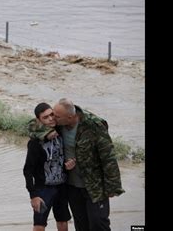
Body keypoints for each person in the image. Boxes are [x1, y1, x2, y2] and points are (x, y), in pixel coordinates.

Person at [51, 98, 124, 231]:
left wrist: (113, 186)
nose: (53, 119)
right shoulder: (57, 124)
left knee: (98, 223)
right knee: (81, 224)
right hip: (72, 186)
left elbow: (108, 157)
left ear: (70, 117)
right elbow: (34, 125)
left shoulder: (93, 124)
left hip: (95, 186)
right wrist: (44, 133)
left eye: (57, 116)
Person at [24, 102, 71, 231]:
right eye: (45, 117)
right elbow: (27, 170)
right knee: (39, 225)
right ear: (39, 120)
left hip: (62, 186)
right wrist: (33, 195)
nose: (50, 118)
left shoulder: (60, 132)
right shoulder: (35, 143)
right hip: (43, 189)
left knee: (63, 221)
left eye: (52, 115)